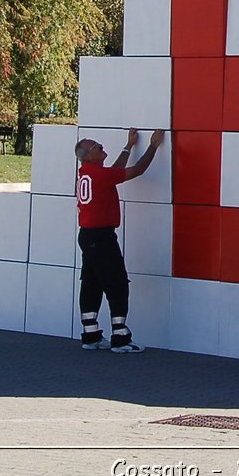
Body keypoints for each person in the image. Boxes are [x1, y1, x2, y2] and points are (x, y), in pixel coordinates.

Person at [76, 127, 165, 353]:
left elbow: (115, 171)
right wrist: (154, 145)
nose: (101, 146)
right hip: (102, 237)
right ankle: (121, 337)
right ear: (88, 155)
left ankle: (90, 334)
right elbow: (137, 170)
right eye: (97, 146)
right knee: (117, 283)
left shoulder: (88, 173)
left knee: (91, 283)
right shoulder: (98, 175)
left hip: (88, 236)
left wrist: (129, 146)